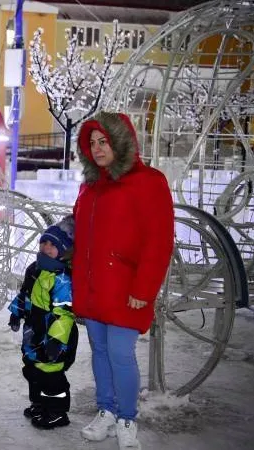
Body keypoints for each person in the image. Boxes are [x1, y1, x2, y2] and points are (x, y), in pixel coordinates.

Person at [73, 112, 174, 450]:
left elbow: (158, 242)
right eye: (92, 142)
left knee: (119, 353)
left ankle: (127, 417)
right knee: (100, 352)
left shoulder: (148, 181)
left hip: (127, 290)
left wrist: (143, 290)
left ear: (121, 141)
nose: (97, 148)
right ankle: (107, 411)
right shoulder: (91, 186)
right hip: (94, 288)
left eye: (104, 141)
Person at [8, 216, 78, 430]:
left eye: (53, 245)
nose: (47, 247)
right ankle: (40, 404)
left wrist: (56, 340)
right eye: (44, 242)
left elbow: (64, 313)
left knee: (52, 375)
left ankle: (57, 411)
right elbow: (25, 294)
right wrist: (16, 312)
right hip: (34, 331)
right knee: (32, 370)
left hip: (55, 336)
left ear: (64, 249)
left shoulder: (62, 278)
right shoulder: (34, 268)